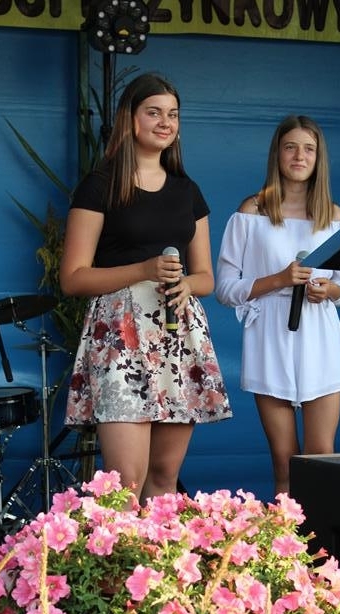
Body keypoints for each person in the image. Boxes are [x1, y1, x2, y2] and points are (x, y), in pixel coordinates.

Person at [60, 72, 232, 505]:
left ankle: (158, 553)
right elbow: (73, 277)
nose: (165, 122)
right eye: (154, 112)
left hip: (177, 334)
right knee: (125, 484)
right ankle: (114, 551)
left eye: (173, 114)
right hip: (120, 333)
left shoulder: (187, 191)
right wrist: (143, 269)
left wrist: (186, 283)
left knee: (164, 477)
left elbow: (206, 277)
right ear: (130, 119)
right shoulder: (100, 185)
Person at [216, 114, 340, 497]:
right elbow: (225, 288)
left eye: (309, 149)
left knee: (321, 456)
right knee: (284, 460)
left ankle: (321, 534)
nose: (299, 156)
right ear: (277, 154)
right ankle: (286, 535)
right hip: (270, 335)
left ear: (318, 158)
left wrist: (328, 290)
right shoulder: (252, 211)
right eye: (291, 147)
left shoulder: (334, 216)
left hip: (319, 336)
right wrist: (278, 279)